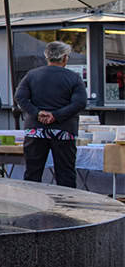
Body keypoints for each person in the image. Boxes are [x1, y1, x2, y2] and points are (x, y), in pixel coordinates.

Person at [14, 41, 86, 188]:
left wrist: (37, 113)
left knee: (33, 172)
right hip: (63, 130)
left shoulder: (31, 75)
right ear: (65, 58)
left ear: (47, 57)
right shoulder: (74, 78)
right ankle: (66, 205)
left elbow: (20, 97)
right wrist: (56, 115)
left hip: (36, 130)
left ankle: (32, 202)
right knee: (65, 172)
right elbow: (79, 103)